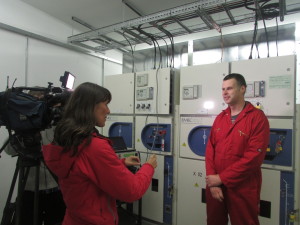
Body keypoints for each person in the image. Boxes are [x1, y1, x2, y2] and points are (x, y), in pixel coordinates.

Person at [42, 82, 157, 225]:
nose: (108, 111)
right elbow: (131, 191)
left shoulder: (68, 138)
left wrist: (120, 163)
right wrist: (148, 167)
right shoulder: (94, 146)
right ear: (90, 106)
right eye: (106, 104)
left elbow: (84, 170)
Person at [205, 73, 270, 225]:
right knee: (214, 222)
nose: (225, 93)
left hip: (243, 187)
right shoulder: (220, 118)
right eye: (223, 89)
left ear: (242, 89)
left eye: (229, 88)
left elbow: (253, 158)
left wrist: (221, 178)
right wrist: (213, 181)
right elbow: (210, 151)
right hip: (216, 185)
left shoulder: (257, 118)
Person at [4, 90, 66, 225]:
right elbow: (9, 150)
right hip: (29, 190)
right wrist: (21, 134)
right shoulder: (21, 127)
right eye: (35, 98)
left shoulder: (53, 125)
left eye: (41, 98)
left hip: (55, 188)